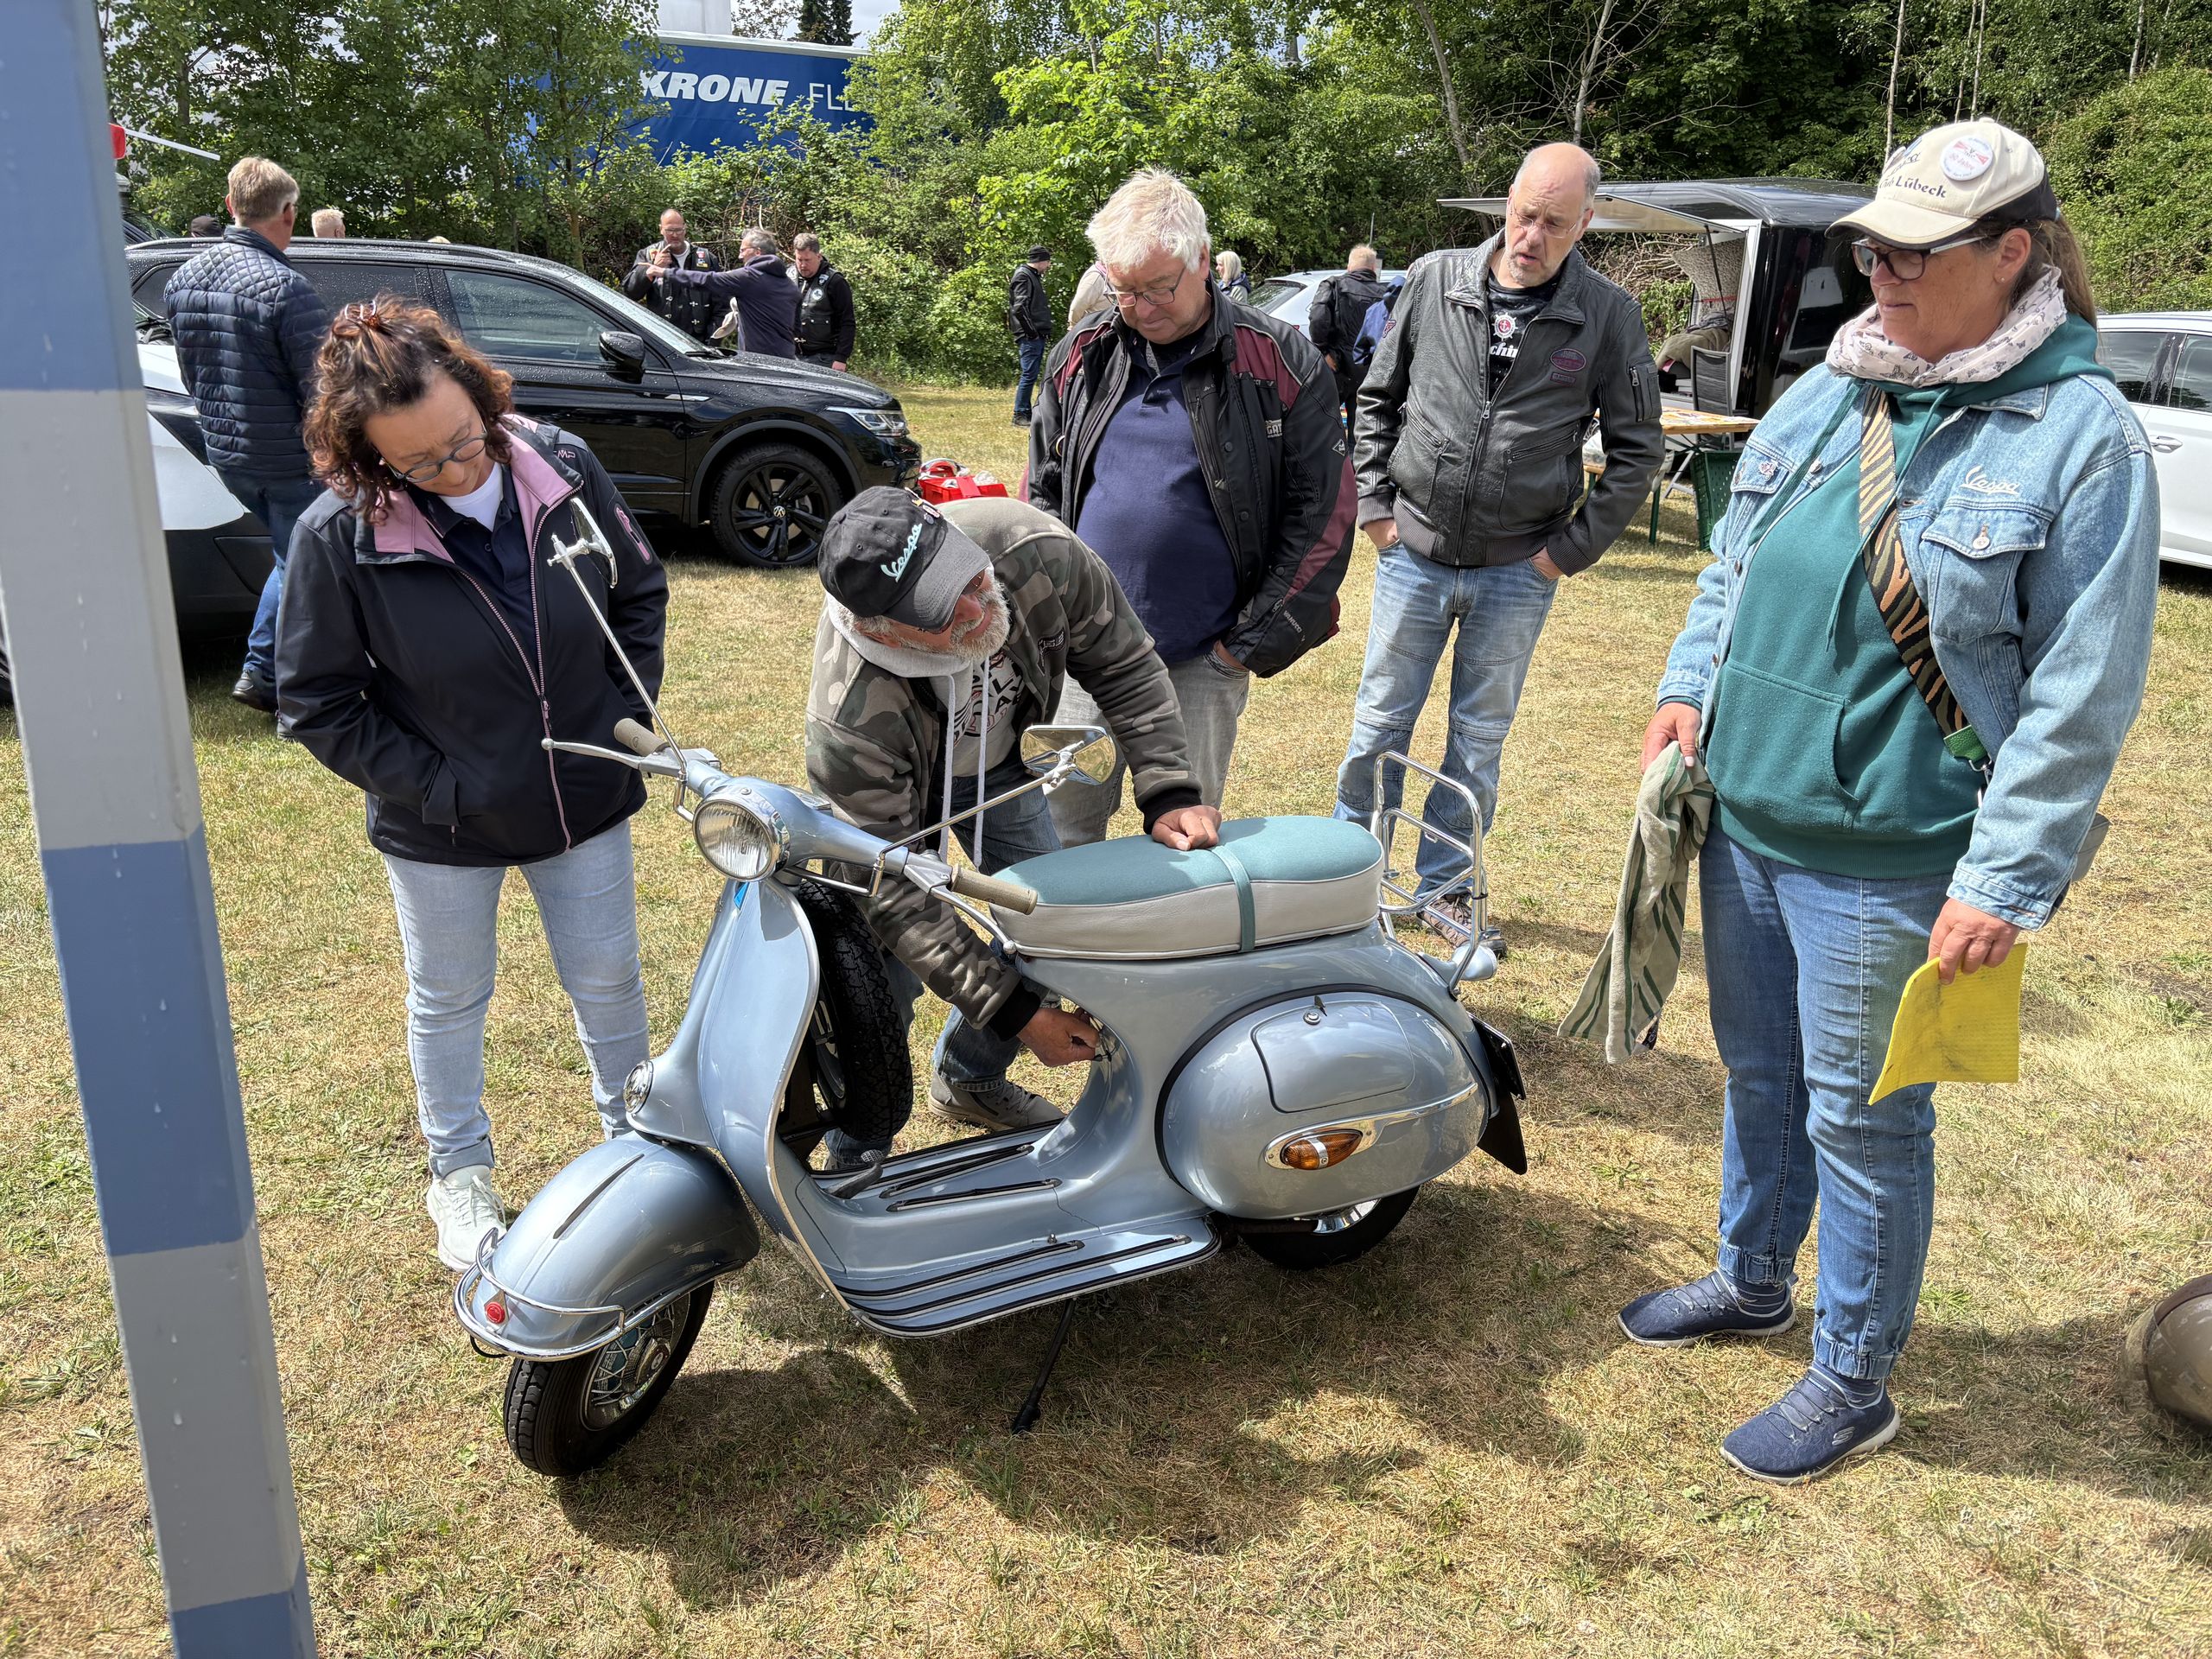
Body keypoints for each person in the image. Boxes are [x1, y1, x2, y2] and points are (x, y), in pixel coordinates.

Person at [1616, 118, 2158, 1484]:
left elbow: (2082, 693)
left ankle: (1854, 1377)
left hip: (1891, 856)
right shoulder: (1834, 386)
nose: (1881, 273)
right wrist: (1692, 683)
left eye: (1914, 252)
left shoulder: (2078, 434)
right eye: (1872, 247)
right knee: (1759, 1081)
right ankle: (1752, 1281)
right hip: (1749, 820)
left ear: (2015, 254)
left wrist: (2004, 880)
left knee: (1864, 1124)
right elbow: (1732, 566)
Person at [276, 298, 669, 1271]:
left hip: (586, 800)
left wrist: (622, 719)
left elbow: (638, 592)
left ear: (482, 394)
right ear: (369, 459)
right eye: (420, 464)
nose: (456, 471)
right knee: (448, 999)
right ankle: (458, 1175)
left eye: (463, 442)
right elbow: (317, 700)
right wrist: (443, 788)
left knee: (609, 981)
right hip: (441, 828)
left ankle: (639, 1150)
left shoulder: (564, 468)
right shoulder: (340, 537)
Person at [805, 487, 1221, 1146]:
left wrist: (1169, 788)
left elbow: (1123, 659)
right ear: (878, 629)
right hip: (901, 797)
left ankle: (968, 1080)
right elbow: (897, 897)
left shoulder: (1030, 547)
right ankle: (857, 1148)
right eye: (944, 610)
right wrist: (1020, 1015)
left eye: (969, 576)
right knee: (877, 973)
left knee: (1045, 921)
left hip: (1000, 767)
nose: (978, 607)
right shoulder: (851, 721)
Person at [1334, 142, 1664, 957]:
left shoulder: (1609, 316)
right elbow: (1377, 397)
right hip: (1413, 550)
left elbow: (1638, 451)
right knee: (1379, 723)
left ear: (1587, 222)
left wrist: (1565, 553)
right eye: (1523, 214)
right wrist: (1375, 506)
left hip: (1520, 569)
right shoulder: (1438, 278)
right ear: (1506, 203)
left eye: (1555, 223)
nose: (1531, 235)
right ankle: (1343, 884)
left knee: (1476, 741)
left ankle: (1443, 892)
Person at [1027, 168, 1354, 845]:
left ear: (1203, 260)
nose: (1141, 308)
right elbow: (1043, 496)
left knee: (1179, 845)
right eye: (1124, 291)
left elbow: (1324, 517)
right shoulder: (1079, 356)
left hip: (1202, 661)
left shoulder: (1279, 362)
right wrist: (1047, 620)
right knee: (1057, 837)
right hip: (1082, 655)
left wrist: (1243, 649)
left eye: (1158, 288)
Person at [163, 156, 333, 716]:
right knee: (301, 559)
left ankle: (283, 670)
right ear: (288, 214)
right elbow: (321, 389)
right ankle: (264, 672)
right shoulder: (287, 288)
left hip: (226, 450)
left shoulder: (183, 280)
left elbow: (192, 370)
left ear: (232, 205)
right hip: (287, 455)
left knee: (294, 555)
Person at [648, 227, 797, 359]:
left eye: (742, 250)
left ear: (757, 252)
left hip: (760, 362)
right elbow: (797, 328)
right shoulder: (790, 286)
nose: (740, 256)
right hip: (787, 358)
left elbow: (707, 280)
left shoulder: (749, 278)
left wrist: (665, 272)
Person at [618, 209, 723, 343]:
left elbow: (722, 303)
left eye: (679, 230)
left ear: (685, 229)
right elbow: (630, 293)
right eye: (669, 230)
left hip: (699, 341)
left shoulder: (706, 258)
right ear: (661, 229)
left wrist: (712, 340)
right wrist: (649, 272)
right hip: (663, 341)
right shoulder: (648, 255)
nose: (675, 235)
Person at [1308, 245, 1387, 416]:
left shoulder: (1334, 285)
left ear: (1349, 266)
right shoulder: (1386, 294)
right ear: (1373, 268)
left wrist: (1323, 351)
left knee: (1324, 419)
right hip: (1369, 370)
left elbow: (1317, 319)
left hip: (1336, 365)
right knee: (1361, 427)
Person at [792, 232, 855, 372]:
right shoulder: (788, 277)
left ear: (819, 256)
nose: (802, 265)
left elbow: (847, 322)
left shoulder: (836, 282)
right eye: (799, 260)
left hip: (823, 358)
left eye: (807, 260)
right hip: (791, 354)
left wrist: (841, 358)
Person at [1008, 245, 1053, 425]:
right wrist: (1032, 333)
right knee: (1028, 374)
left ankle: (1025, 412)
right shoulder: (1024, 275)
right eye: (1048, 261)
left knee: (1031, 373)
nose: (1049, 265)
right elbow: (1019, 308)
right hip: (1029, 336)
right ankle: (1020, 414)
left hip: (1034, 334)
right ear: (1041, 260)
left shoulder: (1031, 276)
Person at [1069, 260, 1111, 328]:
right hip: (1094, 333)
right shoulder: (1095, 277)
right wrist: (1075, 330)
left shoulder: (1113, 276)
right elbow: (1076, 308)